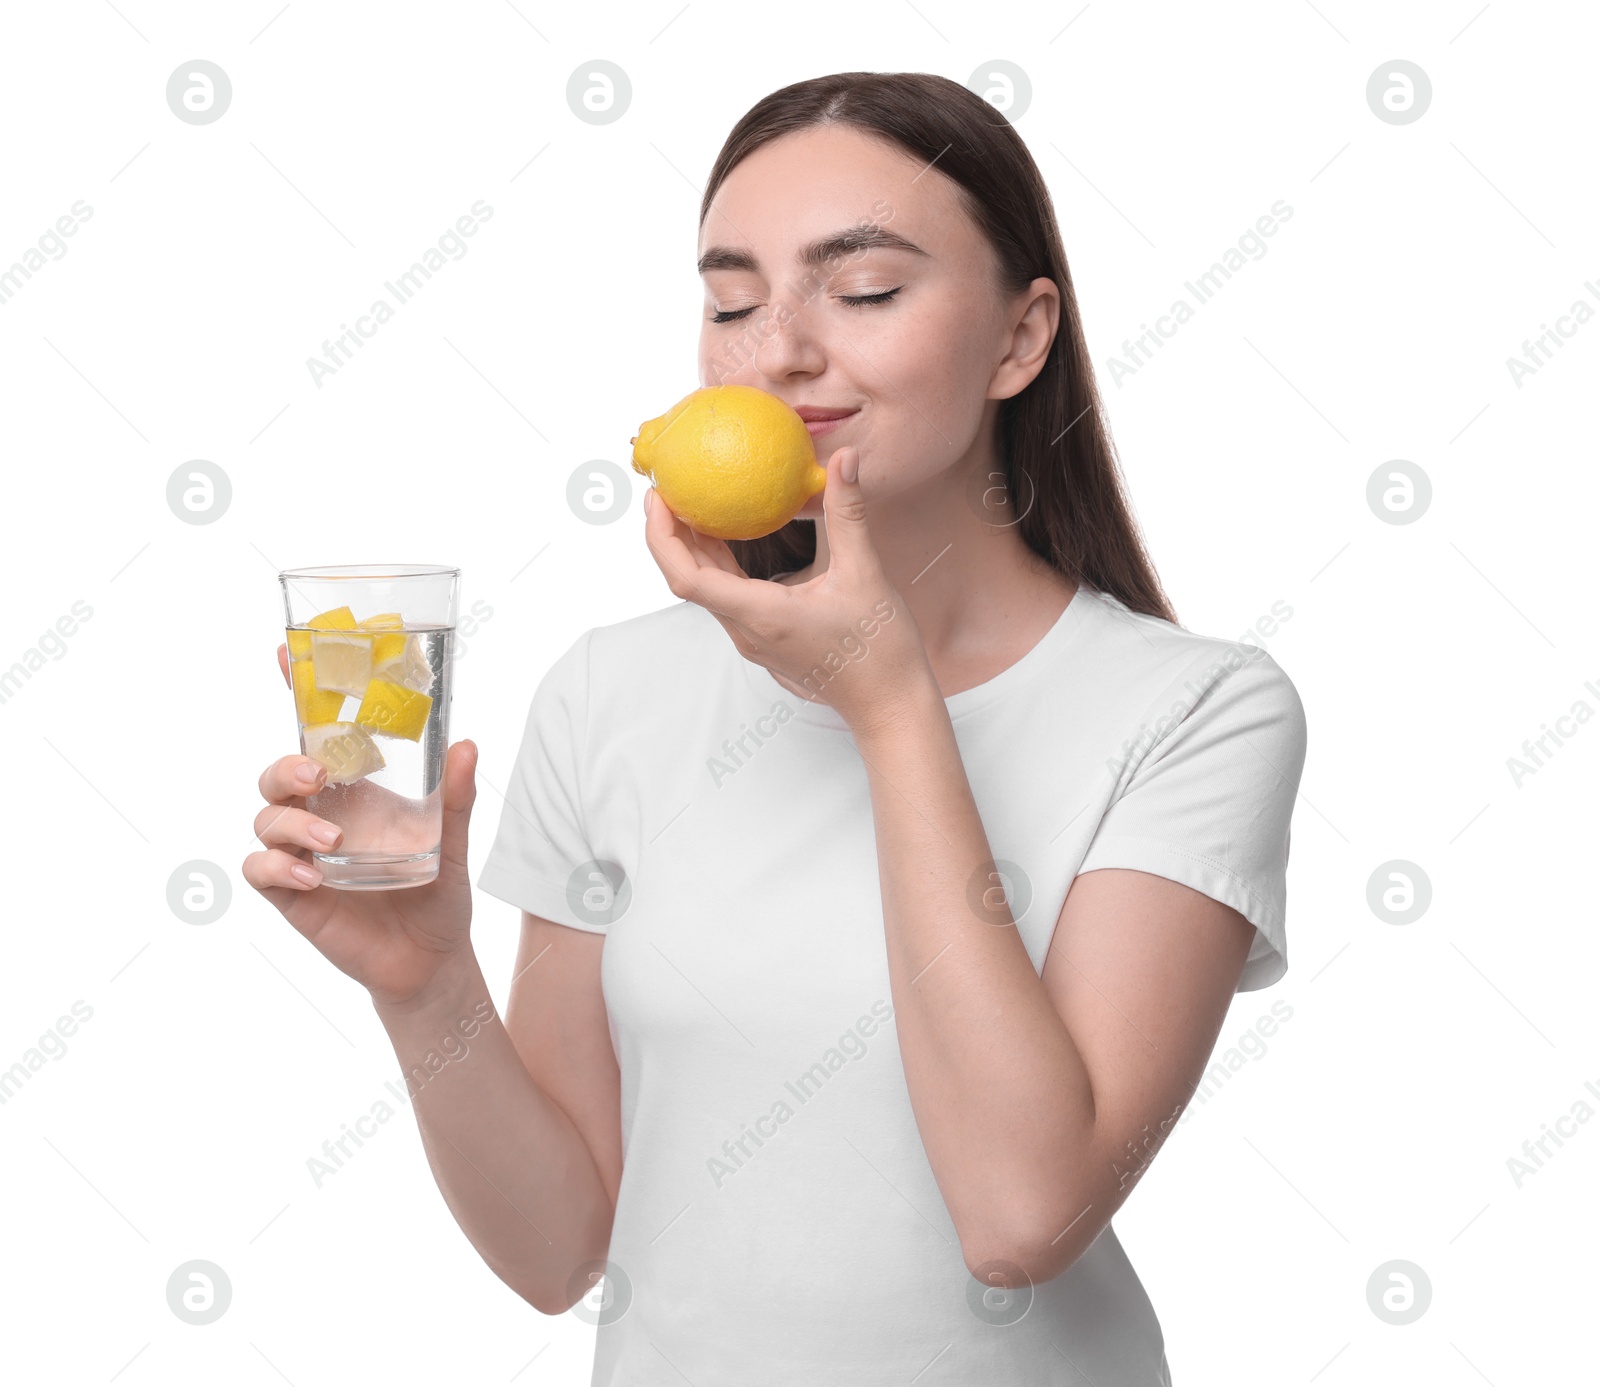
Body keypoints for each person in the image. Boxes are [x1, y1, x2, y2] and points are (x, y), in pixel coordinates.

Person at [246, 71, 1307, 1386]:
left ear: (1020, 340)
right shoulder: (609, 695)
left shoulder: (1194, 710)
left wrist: (888, 699)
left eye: (863, 292)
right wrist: (425, 984)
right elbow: (562, 1250)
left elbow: (1022, 1216)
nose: (782, 350)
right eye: (733, 302)